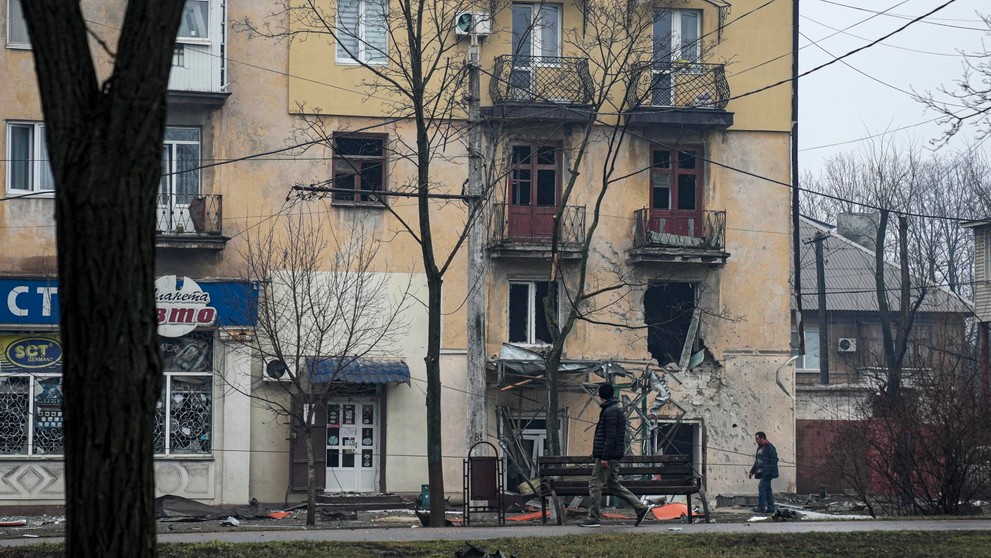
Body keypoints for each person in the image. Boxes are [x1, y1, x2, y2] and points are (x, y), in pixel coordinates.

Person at [578, 383, 655, 527]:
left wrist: (604, 457)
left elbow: (610, 436)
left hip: (609, 456)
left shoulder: (611, 411)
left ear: (601, 395)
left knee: (594, 483)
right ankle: (641, 508)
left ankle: (594, 517)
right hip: (614, 455)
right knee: (613, 485)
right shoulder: (613, 409)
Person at [747, 431, 779, 513]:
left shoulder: (770, 447)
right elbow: (757, 461)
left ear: (762, 438)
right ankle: (771, 508)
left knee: (761, 487)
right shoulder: (760, 448)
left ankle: (761, 507)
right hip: (762, 473)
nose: (756, 440)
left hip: (767, 473)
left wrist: (768, 472)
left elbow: (774, 460)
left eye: (757, 439)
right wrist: (752, 471)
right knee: (767, 490)